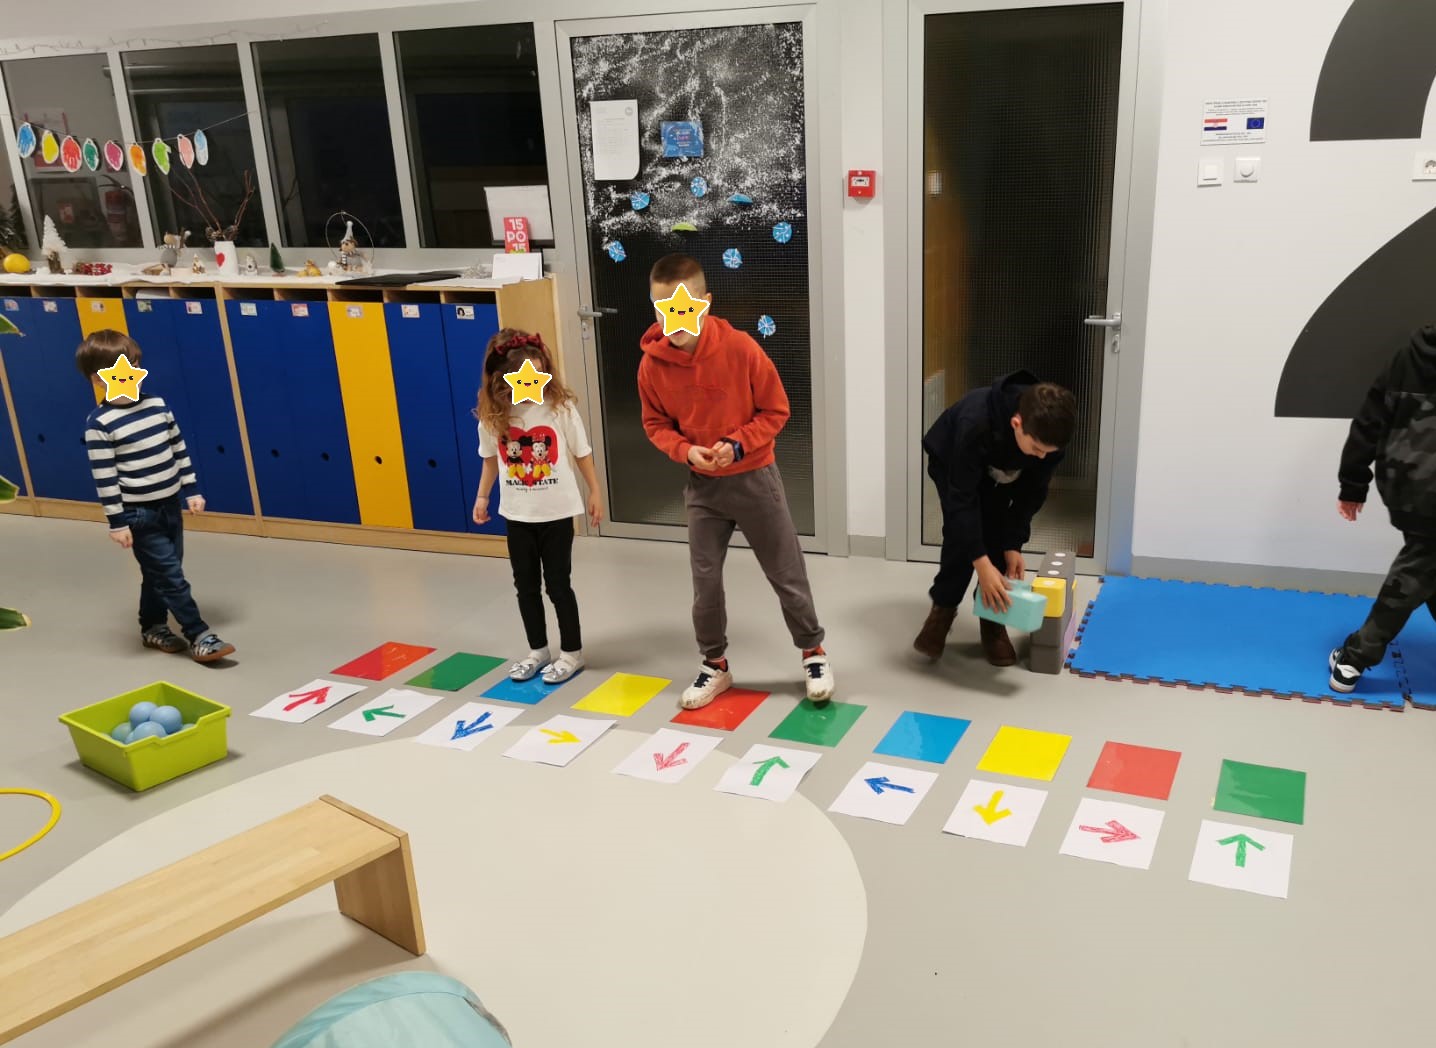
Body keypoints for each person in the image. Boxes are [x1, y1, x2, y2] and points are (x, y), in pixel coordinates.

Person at [638, 253, 834, 710]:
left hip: (755, 480)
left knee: (786, 572)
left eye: (682, 307)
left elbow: (776, 410)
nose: (672, 319)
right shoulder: (651, 366)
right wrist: (685, 450)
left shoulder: (741, 348)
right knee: (705, 582)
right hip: (703, 489)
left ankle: (813, 652)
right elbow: (654, 424)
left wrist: (739, 444)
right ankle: (716, 664)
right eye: (662, 309)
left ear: (705, 302)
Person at [76, 329, 235, 662]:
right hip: (138, 514)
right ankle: (199, 634)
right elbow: (105, 478)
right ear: (98, 379)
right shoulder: (100, 424)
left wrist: (191, 489)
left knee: (159, 573)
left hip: (170, 505)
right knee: (171, 577)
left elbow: (178, 449)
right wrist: (117, 523)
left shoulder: (157, 406)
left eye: (134, 365)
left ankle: (152, 626)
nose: (131, 373)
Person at [914, 371, 1077, 665]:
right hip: (953, 461)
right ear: (1017, 424)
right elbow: (962, 501)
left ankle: (992, 619)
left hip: (1003, 469)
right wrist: (981, 563)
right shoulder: (976, 423)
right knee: (960, 536)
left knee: (999, 535)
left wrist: (1013, 543)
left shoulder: (1048, 441)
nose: (1042, 457)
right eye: (1037, 449)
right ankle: (942, 611)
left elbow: (1032, 494)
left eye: (1048, 452)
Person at [474, 328, 602, 684]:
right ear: (503, 378)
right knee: (525, 587)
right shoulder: (494, 415)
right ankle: (538, 650)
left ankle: (572, 653)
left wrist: (595, 491)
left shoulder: (559, 408)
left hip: (557, 514)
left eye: (538, 373)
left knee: (558, 585)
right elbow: (489, 459)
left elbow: (582, 452)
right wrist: (483, 496)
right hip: (517, 515)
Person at [1329, 325, 1436, 693]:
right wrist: (1352, 484)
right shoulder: (1406, 359)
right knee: (1416, 571)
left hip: (1406, 484)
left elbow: (1368, 422)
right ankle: (1355, 658)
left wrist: (1353, 483)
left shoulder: (1408, 355)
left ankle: (1355, 655)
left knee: (1426, 565)